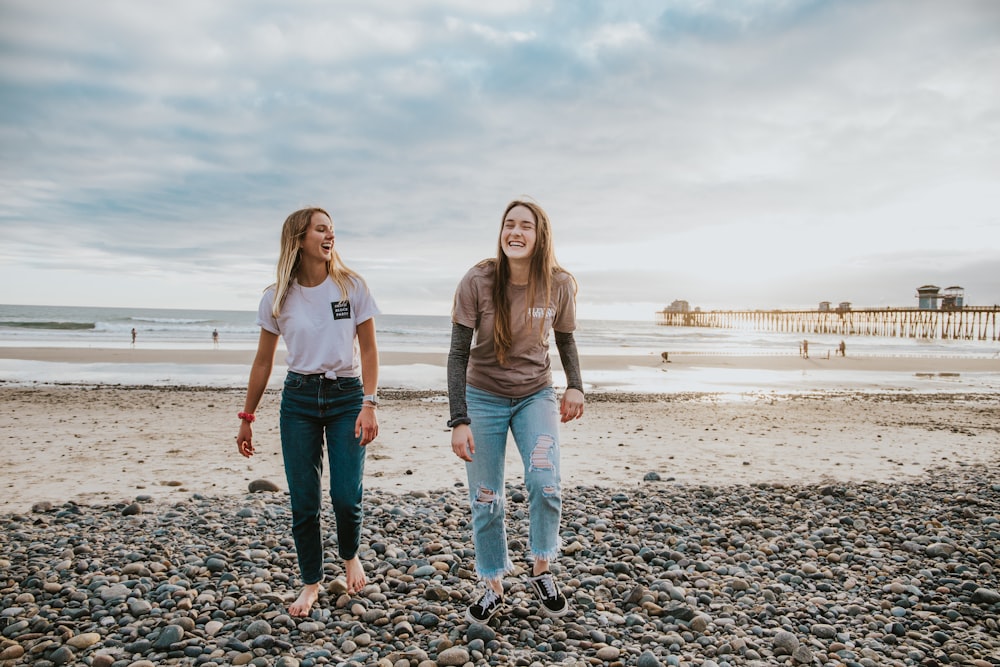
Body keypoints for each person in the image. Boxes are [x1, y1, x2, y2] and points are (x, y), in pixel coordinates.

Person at [235, 206, 380, 617]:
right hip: (298, 398)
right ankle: (311, 582)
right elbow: (263, 361)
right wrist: (247, 417)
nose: (329, 235)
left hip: (347, 396)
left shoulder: (351, 287)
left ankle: (350, 554)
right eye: (320, 229)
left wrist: (370, 403)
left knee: (345, 495)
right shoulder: (277, 296)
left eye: (331, 229)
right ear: (299, 239)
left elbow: (368, 350)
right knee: (304, 501)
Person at [448, 199, 585, 624]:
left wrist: (575, 386)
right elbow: (456, 355)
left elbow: (564, 340)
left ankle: (542, 569)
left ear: (539, 235)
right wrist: (459, 419)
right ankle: (492, 583)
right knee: (486, 497)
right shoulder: (478, 280)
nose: (516, 232)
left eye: (526, 226)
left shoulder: (559, 284)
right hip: (482, 396)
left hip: (535, 395)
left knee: (546, 483)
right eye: (510, 224)